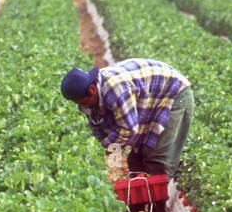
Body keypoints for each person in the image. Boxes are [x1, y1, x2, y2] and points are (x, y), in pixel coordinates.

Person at [60, 59, 193, 179]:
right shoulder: (87, 99)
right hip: (151, 98)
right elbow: (97, 128)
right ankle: (137, 203)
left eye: (84, 102)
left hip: (173, 93)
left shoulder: (116, 91)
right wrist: (106, 154)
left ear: (92, 89)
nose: (83, 107)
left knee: (156, 159)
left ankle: (158, 205)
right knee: (136, 161)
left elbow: (128, 129)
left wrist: (111, 153)